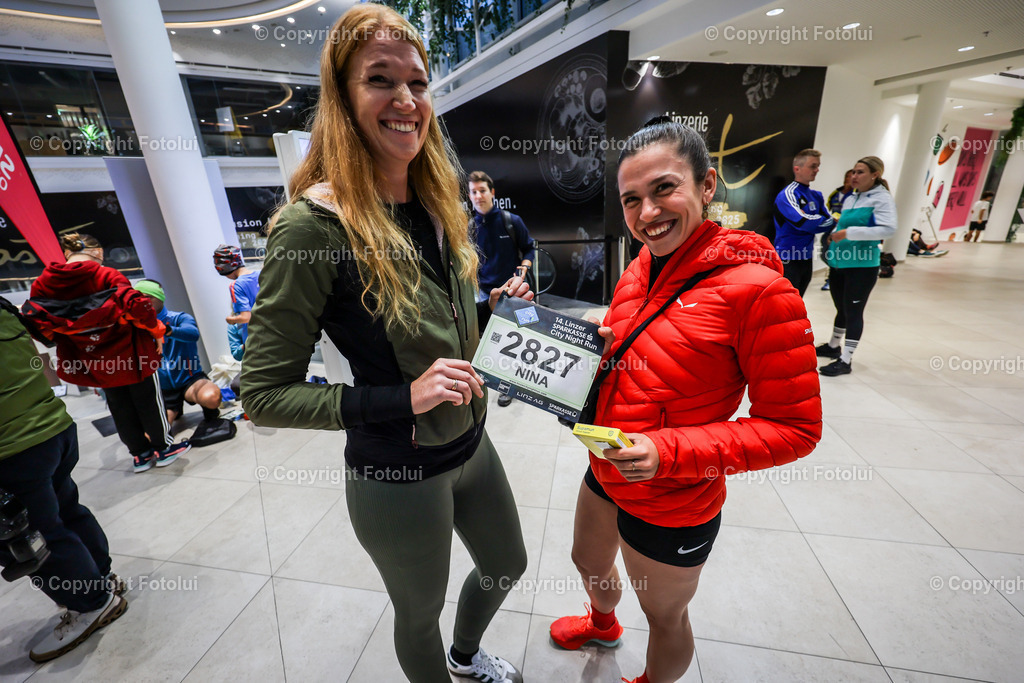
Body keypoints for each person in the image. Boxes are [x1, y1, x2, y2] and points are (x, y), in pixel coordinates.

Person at [240, 6, 529, 682]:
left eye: (419, 82)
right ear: (342, 97)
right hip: (398, 473)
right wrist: (402, 397)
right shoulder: (314, 227)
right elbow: (262, 395)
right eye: (380, 79)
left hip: (472, 446)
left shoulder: (437, 197)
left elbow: (445, 332)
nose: (406, 100)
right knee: (418, 611)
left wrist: (496, 319)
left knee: (506, 564)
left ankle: (466, 657)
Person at [550, 119, 822, 683]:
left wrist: (665, 452)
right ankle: (602, 623)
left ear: (706, 185)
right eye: (631, 200)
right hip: (607, 463)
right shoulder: (642, 267)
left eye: (663, 189)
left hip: (675, 495)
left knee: (665, 615)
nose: (647, 212)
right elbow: (648, 353)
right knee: (587, 561)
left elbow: (796, 428)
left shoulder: (761, 291)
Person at [0, 297, 127, 662]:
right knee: (65, 509)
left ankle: (90, 604)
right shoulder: (5, 309)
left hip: (12, 446)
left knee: (34, 535)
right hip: (52, 429)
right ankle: (101, 579)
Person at [22, 233, 191, 472]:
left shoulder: (43, 284)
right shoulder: (107, 275)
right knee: (148, 400)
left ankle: (140, 455)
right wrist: (157, 331)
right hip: (131, 352)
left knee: (118, 405)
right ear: (98, 253)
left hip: (91, 356)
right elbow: (137, 308)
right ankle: (164, 449)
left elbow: (38, 322)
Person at [817, 156, 898, 376]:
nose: (854, 176)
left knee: (853, 311)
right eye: (853, 171)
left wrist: (848, 233)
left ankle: (846, 360)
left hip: (862, 265)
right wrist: (834, 236)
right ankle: (834, 347)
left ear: (875, 174)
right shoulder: (852, 197)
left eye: (860, 172)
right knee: (841, 307)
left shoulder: (881, 198)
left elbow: (888, 229)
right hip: (840, 262)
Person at [134, 279, 236, 444]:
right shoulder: (137, 327)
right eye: (138, 299)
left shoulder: (179, 318)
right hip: (163, 389)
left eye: (148, 297)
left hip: (190, 380)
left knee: (211, 397)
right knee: (151, 438)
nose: (143, 302)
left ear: (159, 297)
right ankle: (174, 410)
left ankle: (209, 414)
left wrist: (166, 330)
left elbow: (192, 334)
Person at [468, 171, 535, 407]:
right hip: (485, 295)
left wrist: (523, 270)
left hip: (514, 294)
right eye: (473, 192)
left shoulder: (511, 221)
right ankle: (496, 380)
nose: (478, 196)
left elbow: (529, 249)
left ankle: (513, 385)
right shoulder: (468, 227)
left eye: (482, 190)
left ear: (492, 193)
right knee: (493, 342)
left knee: (518, 341)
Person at [772, 149, 835, 296]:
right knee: (785, 304)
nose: (817, 170)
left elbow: (829, 221)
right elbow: (802, 222)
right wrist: (815, 221)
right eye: (813, 166)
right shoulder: (788, 194)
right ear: (797, 168)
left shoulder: (816, 196)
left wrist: (815, 221)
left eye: (818, 166)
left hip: (806, 258)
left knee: (798, 302)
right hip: (788, 258)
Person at [213, 244, 260, 344]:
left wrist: (231, 320)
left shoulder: (236, 285)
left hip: (258, 340)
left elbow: (245, 317)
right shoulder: (261, 274)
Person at [820, 169, 854, 291]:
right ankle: (834, 273)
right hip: (831, 227)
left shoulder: (855, 195)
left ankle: (832, 279)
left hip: (845, 229)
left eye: (851, 176)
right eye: (847, 176)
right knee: (825, 252)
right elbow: (829, 209)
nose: (848, 179)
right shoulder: (836, 193)